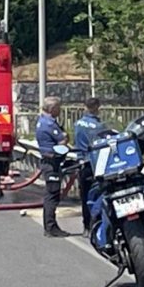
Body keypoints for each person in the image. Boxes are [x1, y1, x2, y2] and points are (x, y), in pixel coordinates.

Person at [35, 96, 69, 237]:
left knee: (52, 195)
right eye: (58, 108)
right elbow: (62, 140)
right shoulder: (49, 124)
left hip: (49, 161)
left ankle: (51, 226)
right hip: (51, 162)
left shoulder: (41, 121)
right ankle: (50, 227)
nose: (60, 111)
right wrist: (65, 138)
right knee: (52, 196)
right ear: (52, 109)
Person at [73, 97, 104, 236]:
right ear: (97, 107)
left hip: (82, 163)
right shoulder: (99, 126)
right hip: (97, 164)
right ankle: (98, 223)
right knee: (101, 193)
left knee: (85, 196)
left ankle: (87, 226)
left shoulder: (77, 124)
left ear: (84, 107)